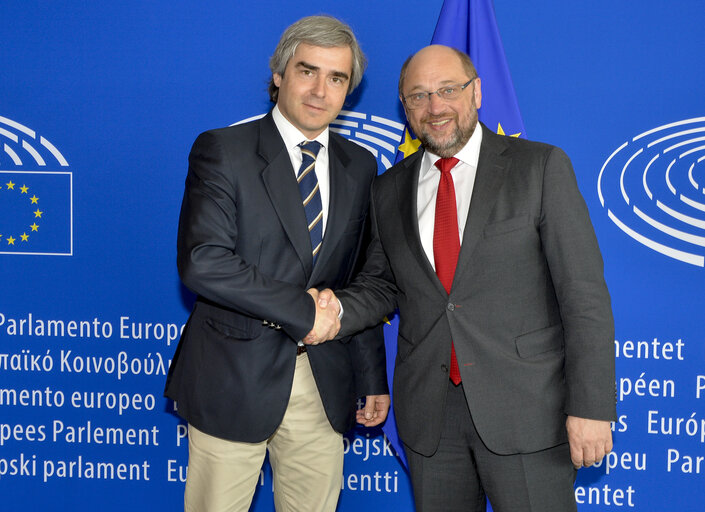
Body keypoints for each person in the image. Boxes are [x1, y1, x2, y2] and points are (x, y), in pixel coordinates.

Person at [313, 44, 616, 511]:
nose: (435, 107)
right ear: (405, 108)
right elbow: (381, 285)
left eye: (448, 90)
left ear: (476, 92)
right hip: (431, 420)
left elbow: (584, 297)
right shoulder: (388, 188)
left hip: (528, 413)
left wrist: (592, 408)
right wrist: (334, 309)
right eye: (418, 96)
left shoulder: (539, 167)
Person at [164, 15, 390, 512]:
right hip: (233, 379)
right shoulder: (224, 150)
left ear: (349, 90)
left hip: (324, 383)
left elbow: (360, 277)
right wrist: (303, 311)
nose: (319, 90)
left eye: (337, 78)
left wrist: (372, 377)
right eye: (307, 71)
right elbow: (204, 261)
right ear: (278, 74)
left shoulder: (360, 165)